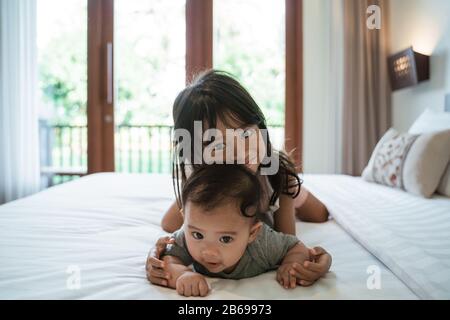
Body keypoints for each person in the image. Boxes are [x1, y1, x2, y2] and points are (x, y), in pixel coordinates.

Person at [146, 70, 329, 287]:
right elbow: (170, 223)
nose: (238, 151)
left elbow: (287, 242)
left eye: (245, 134)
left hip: (273, 177)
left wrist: (311, 260)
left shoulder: (275, 175)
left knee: (319, 214)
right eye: (217, 144)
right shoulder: (198, 174)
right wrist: (160, 253)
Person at [157, 164, 331, 297]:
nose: (209, 252)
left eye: (225, 239)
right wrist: (183, 274)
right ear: (185, 220)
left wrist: (291, 264)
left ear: (252, 234)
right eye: (198, 235)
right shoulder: (187, 236)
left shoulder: (264, 244)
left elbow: (295, 246)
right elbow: (169, 257)